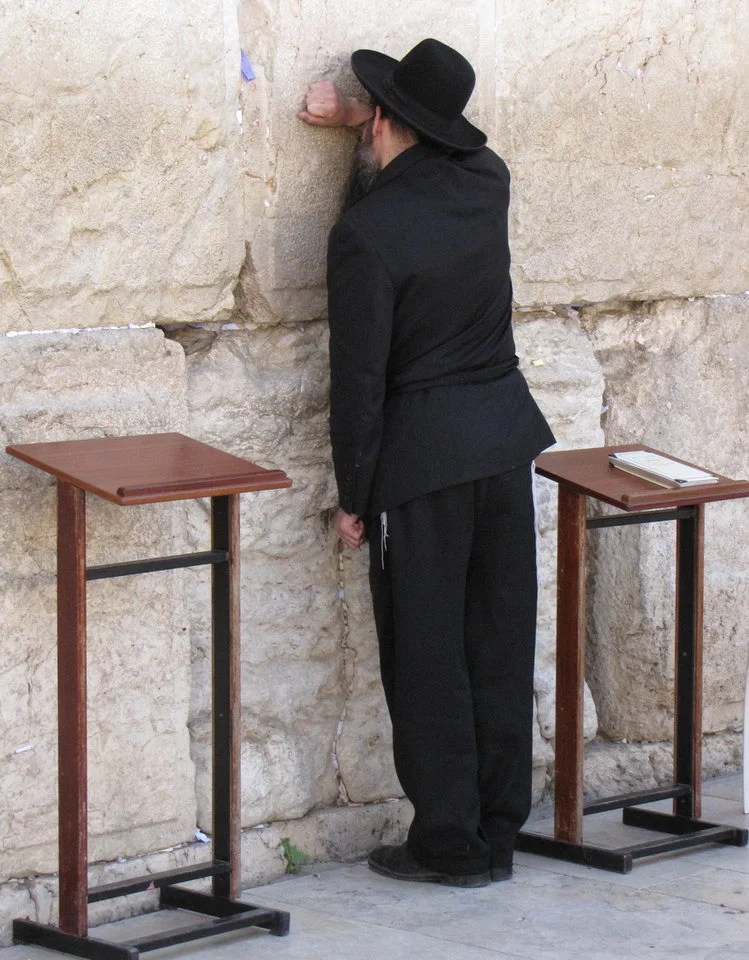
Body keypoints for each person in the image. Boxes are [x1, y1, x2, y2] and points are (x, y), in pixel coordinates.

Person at [299, 38, 555, 888]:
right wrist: (366, 124)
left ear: (383, 121)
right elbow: (436, 158)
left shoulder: (365, 236)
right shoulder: (491, 184)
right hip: (503, 442)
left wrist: (352, 497)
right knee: (497, 641)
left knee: (428, 653)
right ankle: (497, 829)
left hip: (421, 466)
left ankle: (448, 844)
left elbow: (359, 381)